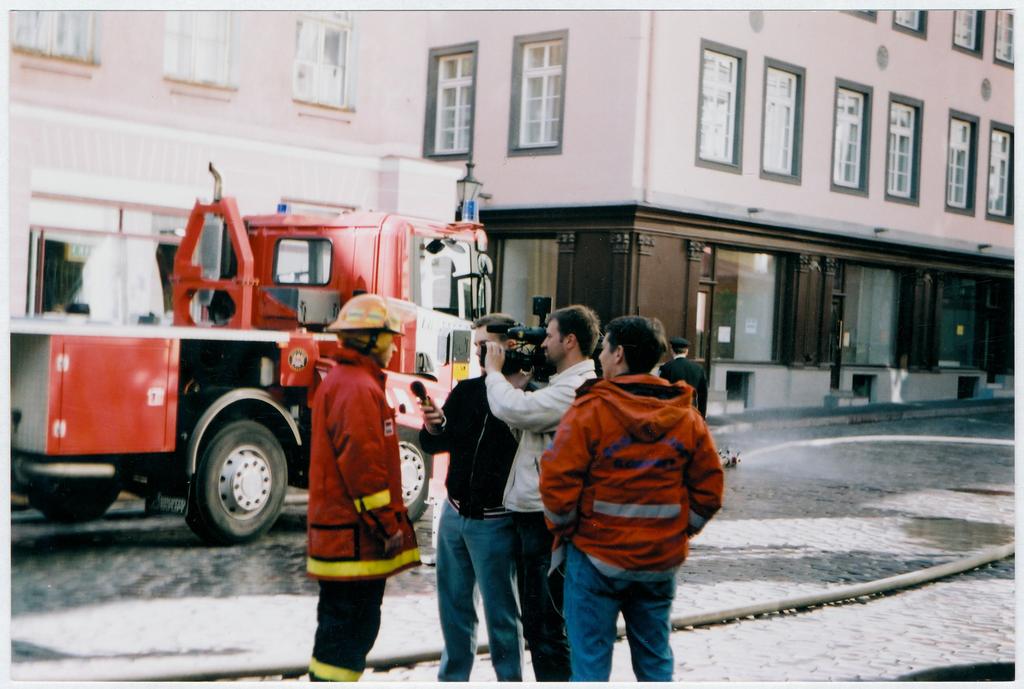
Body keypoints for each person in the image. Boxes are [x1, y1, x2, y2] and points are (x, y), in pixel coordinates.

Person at [540, 316, 724, 682]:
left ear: (619, 354)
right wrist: (679, 531)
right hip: (659, 562)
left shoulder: (589, 411)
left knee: (590, 667)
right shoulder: (686, 417)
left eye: (604, 348)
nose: (600, 357)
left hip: (595, 559)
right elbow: (710, 491)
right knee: (655, 665)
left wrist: (568, 530)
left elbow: (556, 485)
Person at [482, 304, 601, 682]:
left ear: (569, 341)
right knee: (540, 625)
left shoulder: (577, 388)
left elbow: (518, 411)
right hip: (537, 513)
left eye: (548, 335)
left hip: (545, 518)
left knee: (546, 628)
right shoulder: (562, 385)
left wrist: (494, 374)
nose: (543, 342)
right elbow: (529, 426)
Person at [307, 293, 421, 682]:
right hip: (354, 541)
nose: (394, 344)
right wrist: (388, 527)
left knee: (344, 634)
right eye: (388, 337)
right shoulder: (358, 387)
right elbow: (365, 468)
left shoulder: (351, 382)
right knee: (348, 636)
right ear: (370, 341)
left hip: (347, 538)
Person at [417, 313, 524, 681]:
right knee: (454, 610)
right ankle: (452, 679)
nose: (478, 352)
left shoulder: (522, 395)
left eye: (484, 345)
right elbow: (437, 442)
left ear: (509, 345)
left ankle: (509, 679)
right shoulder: (467, 390)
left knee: (501, 616)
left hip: (494, 521)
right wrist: (432, 426)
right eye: (475, 344)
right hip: (454, 515)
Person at [659, 336, 708, 417]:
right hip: (691, 412)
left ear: (672, 351)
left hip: (672, 413)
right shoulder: (698, 368)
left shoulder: (666, 367)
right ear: (686, 351)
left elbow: (661, 392)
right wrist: (701, 416)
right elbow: (703, 395)